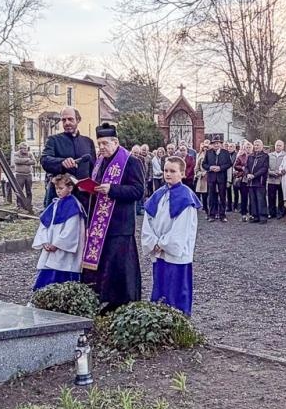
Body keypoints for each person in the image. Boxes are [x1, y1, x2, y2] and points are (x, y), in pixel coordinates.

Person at [76, 123, 145, 310]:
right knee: (103, 265)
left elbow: (139, 191)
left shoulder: (131, 161)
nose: (102, 148)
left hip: (120, 224)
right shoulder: (100, 162)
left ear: (116, 142)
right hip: (100, 223)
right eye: (99, 144)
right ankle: (103, 298)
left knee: (120, 266)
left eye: (105, 143)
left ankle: (123, 301)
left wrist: (112, 189)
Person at [144, 155, 199, 316]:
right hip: (159, 250)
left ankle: (177, 319)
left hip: (174, 252)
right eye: (166, 170)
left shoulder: (186, 198)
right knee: (160, 286)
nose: (168, 174)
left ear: (182, 173)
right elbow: (149, 220)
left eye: (173, 171)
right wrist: (152, 241)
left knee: (176, 288)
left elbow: (182, 228)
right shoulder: (158, 194)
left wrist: (162, 244)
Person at [32, 173, 84, 288]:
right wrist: (44, 241)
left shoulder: (74, 205)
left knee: (62, 272)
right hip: (50, 244)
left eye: (61, 188)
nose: (58, 191)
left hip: (63, 249)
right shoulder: (54, 204)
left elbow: (71, 229)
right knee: (46, 274)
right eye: (56, 188)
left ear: (70, 188)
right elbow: (44, 224)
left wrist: (57, 244)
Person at [41, 107, 94, 211]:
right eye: (64, 120)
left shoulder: (88, 142)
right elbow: (44, 160)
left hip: (83, 197)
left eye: (70, 119)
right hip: (60, 195)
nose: (67, 123)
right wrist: (61, 162)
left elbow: (94, 168)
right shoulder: (53, 140)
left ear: (78, 120)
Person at [201, 138, 234, 222]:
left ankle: (222, 215)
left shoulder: (225, 153)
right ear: (212, 144)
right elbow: (204, 164)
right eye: (214, 143)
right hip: (211, 177)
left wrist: (220, 168)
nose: (216, 145)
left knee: (222, 196)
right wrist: (210, 167)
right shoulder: (208, 152)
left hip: (222, 177)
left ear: (220, 144)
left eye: (218, 143)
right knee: (211, 196)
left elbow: (229, 164)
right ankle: (212, 214)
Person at [246, 137, 270, 222]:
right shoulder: (250, 156)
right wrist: (247, 173)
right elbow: (246, 167)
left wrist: (254, 175)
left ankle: (263, 217)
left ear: (262, 146)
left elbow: (264, 168)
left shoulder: (265, 156)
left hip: (260, 181)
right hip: (250, 182)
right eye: (255, 145)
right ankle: (255, 216)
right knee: (252, 199)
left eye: (258, 145)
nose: (256, 146)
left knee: (261, 199)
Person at [12, 141, 36, 211]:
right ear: (20, 148)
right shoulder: (16, 154)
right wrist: (27, 160)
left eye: (26, 148)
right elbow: (16, 161)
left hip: (28, 175)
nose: (25, 150)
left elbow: (34, 162)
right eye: (23, 148)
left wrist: (22, 161)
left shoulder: (30, 153)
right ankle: (19, 205)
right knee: (19, 190)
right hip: (20, 175)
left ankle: (28, 204)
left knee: (29, 191)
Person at [267, 139, 286, 219]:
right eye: (277, 145)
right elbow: (266, 167)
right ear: (274, 146)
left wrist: (280, 172)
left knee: (281, 197)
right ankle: (271, 213)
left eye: (280, 145)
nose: (278, 147)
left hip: (281, 179)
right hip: (271, 179)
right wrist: (271, 172)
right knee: (271, 197)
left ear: (283, 146)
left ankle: (280, 212)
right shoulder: (269, 155)